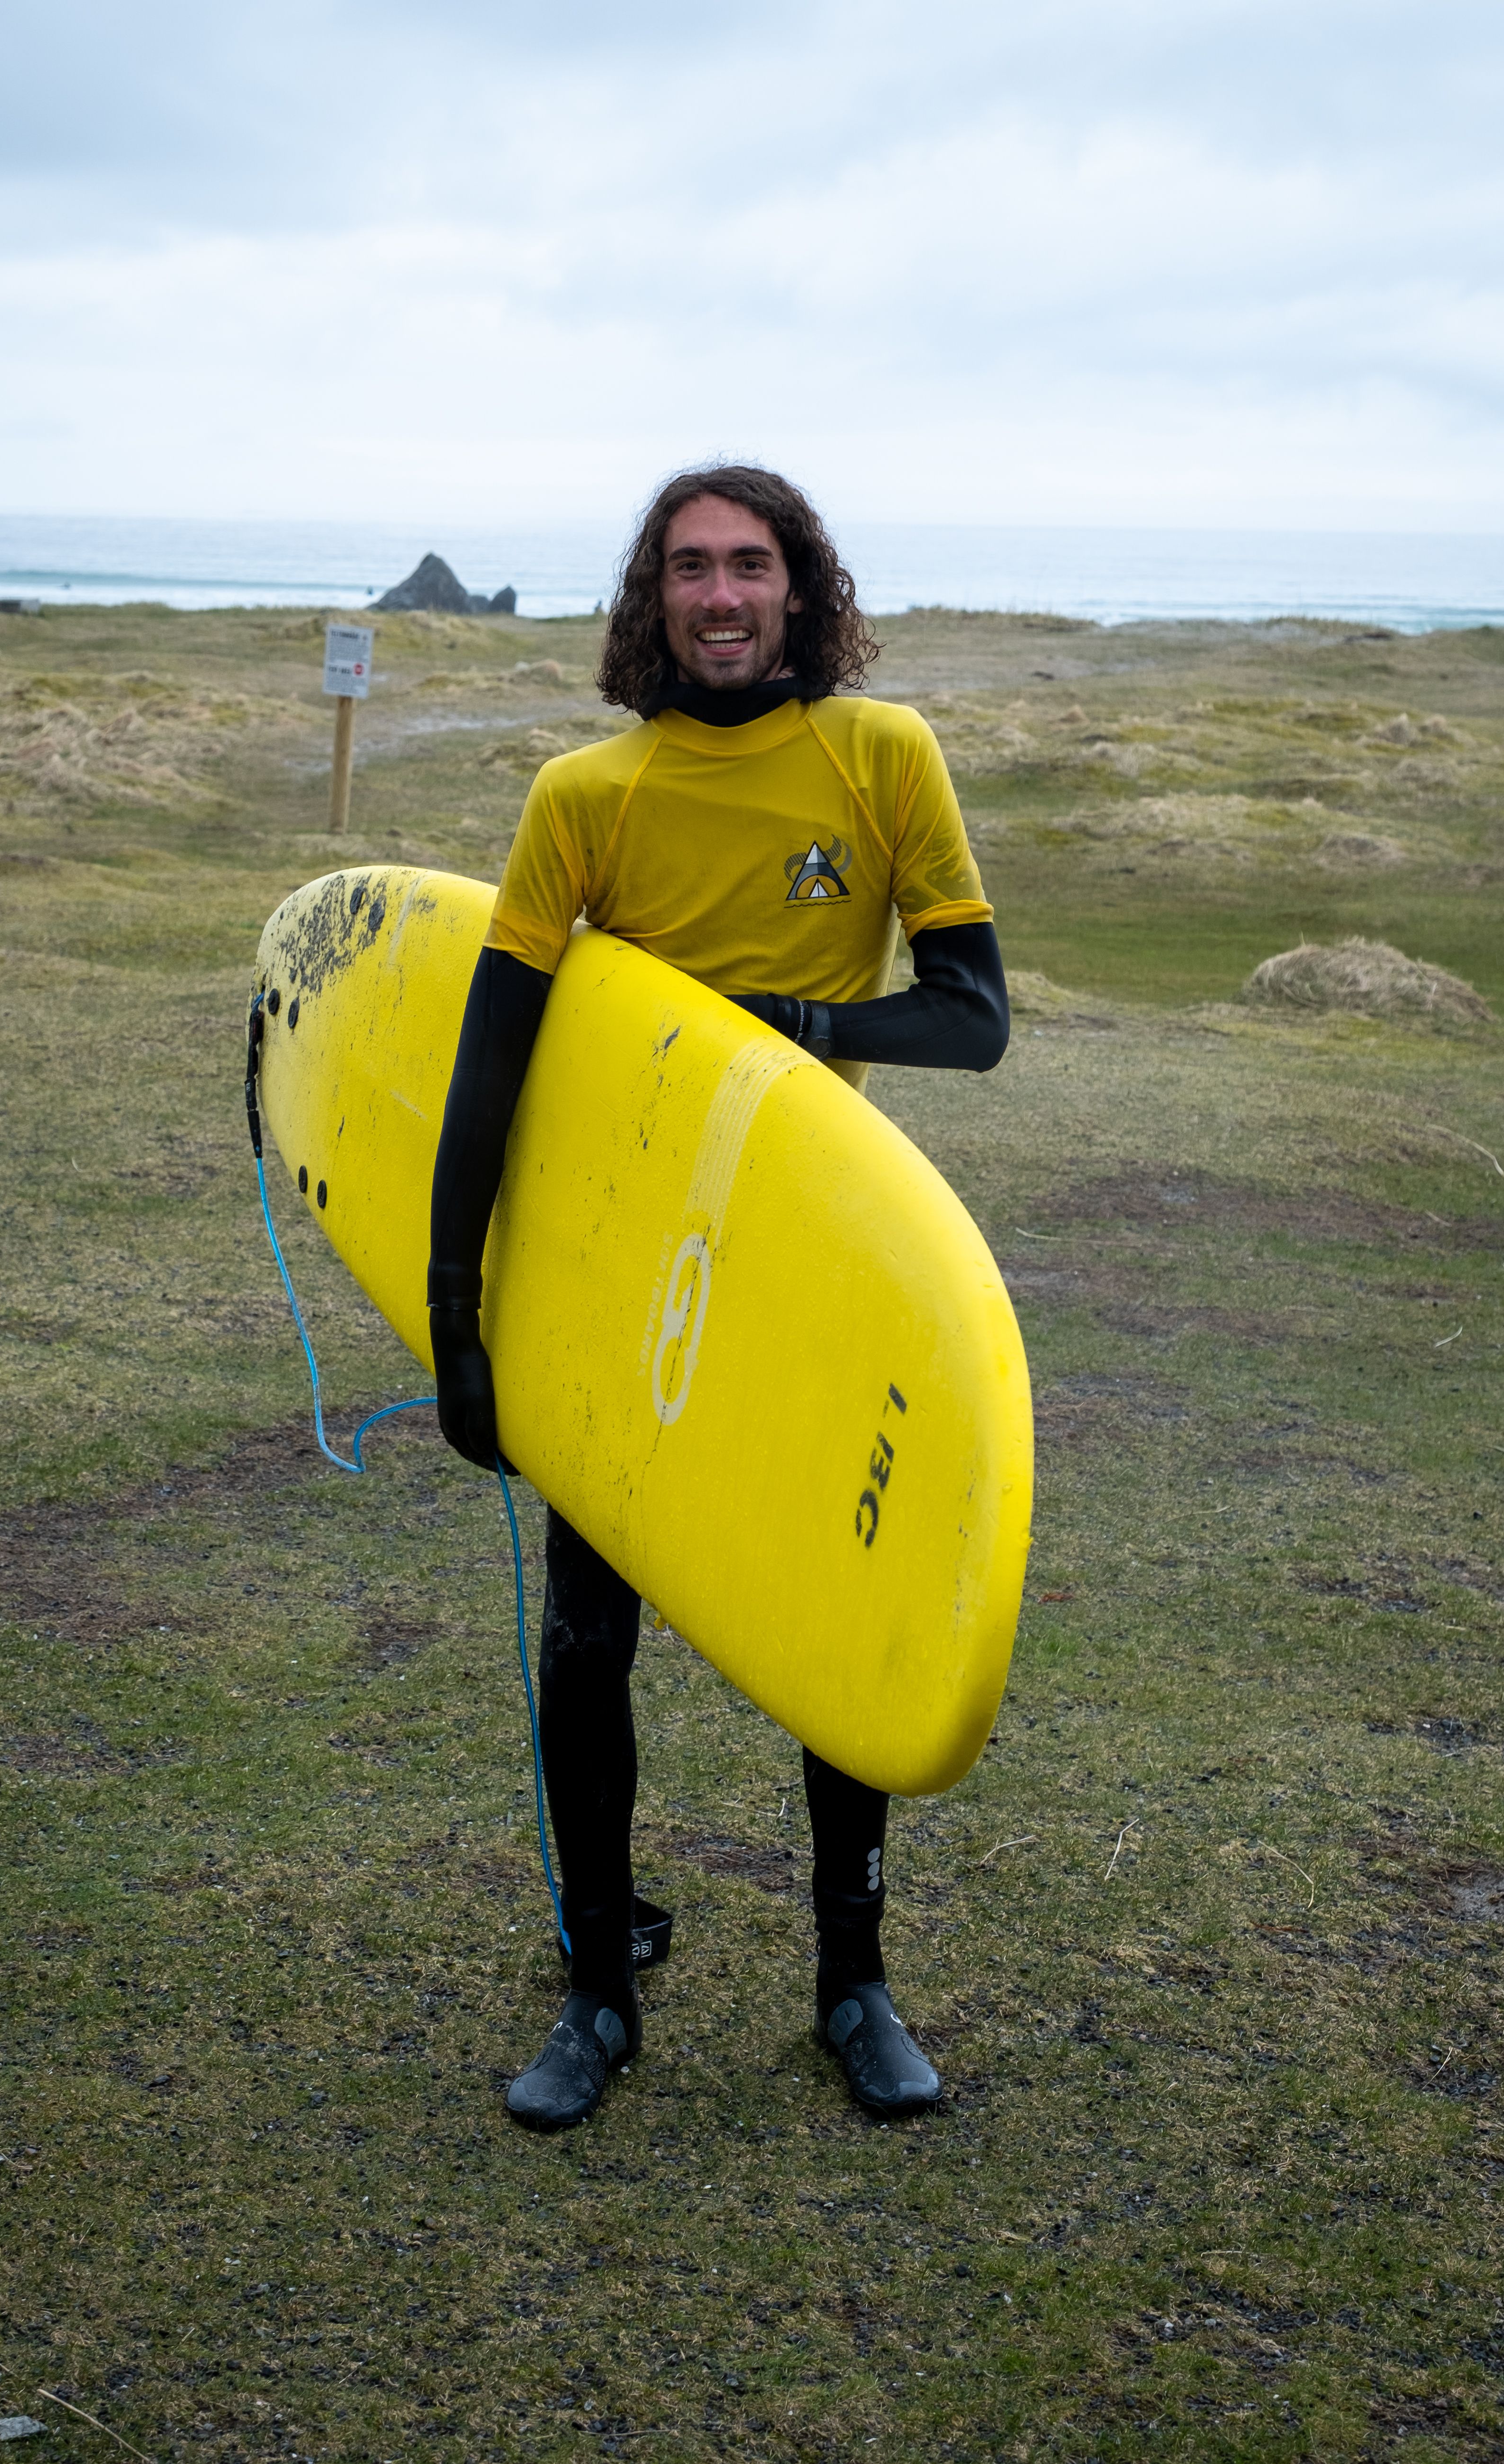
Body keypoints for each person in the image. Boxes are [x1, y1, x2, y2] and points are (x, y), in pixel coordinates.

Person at [426, 465, 1010, 2131]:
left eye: (751, 563)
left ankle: (856, 1983)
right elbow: (491, 1063)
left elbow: (971, 1016)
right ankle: (599, 1992)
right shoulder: (583, 795)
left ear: (801, 586)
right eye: (689, 567)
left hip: (824, 1274)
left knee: (837, 1633)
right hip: (625, 1277)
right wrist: (459, 1306)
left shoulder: (881, 758)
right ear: (652, 598)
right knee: (588, 1637)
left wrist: (805, 1031)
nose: (721, 593)